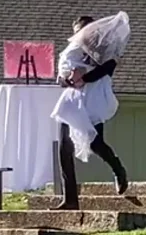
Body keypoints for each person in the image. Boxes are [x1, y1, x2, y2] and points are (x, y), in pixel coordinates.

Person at [51, 12, 129, 210]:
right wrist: (66, 79)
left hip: (93, 99)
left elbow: (107, 69)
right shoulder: (73, 50)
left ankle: (118, 169)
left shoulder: (106, 51)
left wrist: (83, 77)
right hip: (72, 100)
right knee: (64, 147)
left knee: (95, 144)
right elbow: (61, 76)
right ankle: (70, 199)